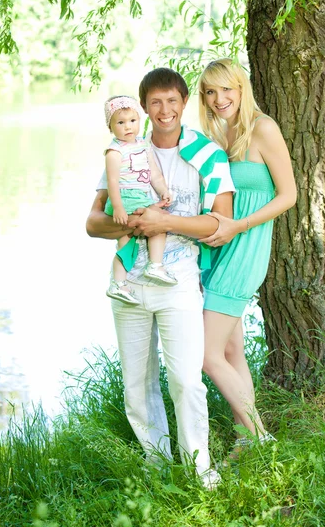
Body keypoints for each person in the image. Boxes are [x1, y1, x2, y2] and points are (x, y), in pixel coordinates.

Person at [86, 68, 235, 487]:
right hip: (130, 284)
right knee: (137, 384)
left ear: (185, 103)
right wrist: (135, 225)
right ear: (142, 108)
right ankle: (156, 464)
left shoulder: (207, 155)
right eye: (155, 102)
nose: (164, 110)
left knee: (187, 380)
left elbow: (220, 225)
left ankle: (199, 468)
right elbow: (93, 224)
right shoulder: (125, 149)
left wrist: (163, 221)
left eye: (172, 100)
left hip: (179, 281)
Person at [197, 58, 297, 457]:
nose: (219, 99)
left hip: (246, 249)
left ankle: (258, 435)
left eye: (226, 89)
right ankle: (245, 441)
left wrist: (240, 226)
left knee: (207, 356)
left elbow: (288, 195)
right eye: (210, 92)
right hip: (221, 252)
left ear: (242, 88)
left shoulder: (263, 128)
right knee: (231, 351)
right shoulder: (220, 135)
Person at [103, 94, 177, 305]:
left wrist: (163, 190)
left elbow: (153, 173)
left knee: (126, 243)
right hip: (125, 199)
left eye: (132, 121)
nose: (128, 127)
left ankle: (117, 283)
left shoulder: (143, 145)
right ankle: (155, 264)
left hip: (139, 197)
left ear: (139, 120)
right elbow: (112, 182)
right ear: (111, 126)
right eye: (121, 122)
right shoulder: (114, 152)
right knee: (159, 223)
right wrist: (117, 207)